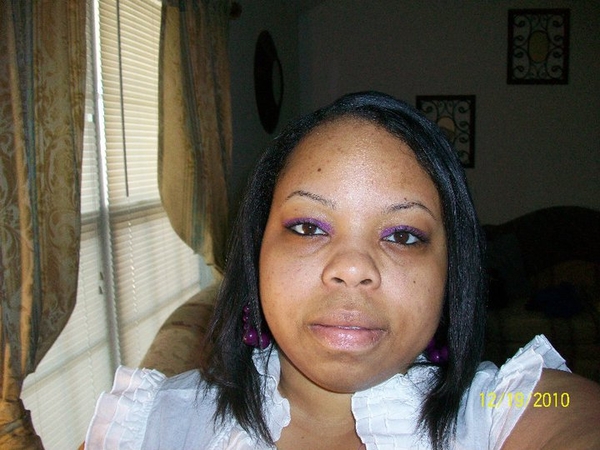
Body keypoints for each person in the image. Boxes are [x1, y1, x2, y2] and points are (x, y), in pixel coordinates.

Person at [85, 92, 600, 449]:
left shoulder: (504, 408)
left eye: (403, 235)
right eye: (308, 227)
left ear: (450, 275)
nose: (352, 268)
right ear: (257, 254)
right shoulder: (149, 426)